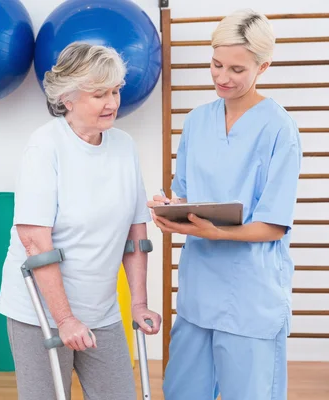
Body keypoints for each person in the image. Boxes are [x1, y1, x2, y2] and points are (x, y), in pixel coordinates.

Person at [148, 9, 302, 400]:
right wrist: (170, 207)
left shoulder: (278, 128)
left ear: (263, 66)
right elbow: (183, 194)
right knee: (182, 391)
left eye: (236, 69)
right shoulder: (198, 121)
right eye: (216, 64)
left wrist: (214, 230)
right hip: (199, 290)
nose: (221, 77)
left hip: (250, 295)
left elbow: (273, 224)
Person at [0, 42, 161, 400]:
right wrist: (66, 318)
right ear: (67, 98)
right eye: (99, 93)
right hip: (41, 310)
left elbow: (136, 235)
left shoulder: (124, 146)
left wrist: (138, 303)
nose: (113, 102)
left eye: (116, 90)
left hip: (102, 308)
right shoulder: (45, 147)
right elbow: (36, 241)